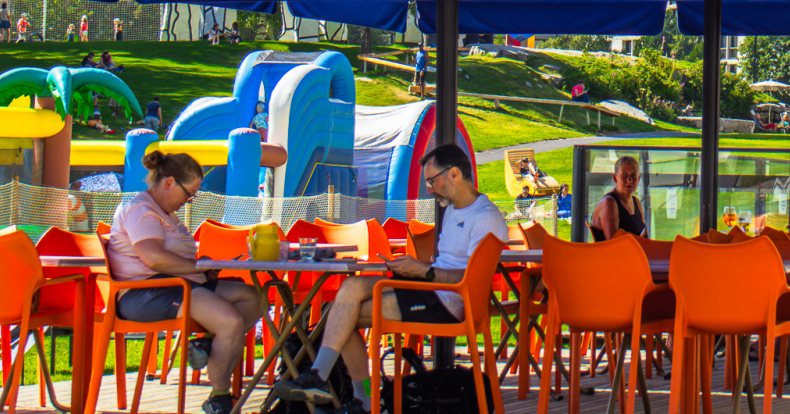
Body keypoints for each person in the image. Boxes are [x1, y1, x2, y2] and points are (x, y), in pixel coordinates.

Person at [273, 145, 507, 412]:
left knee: (343, 315)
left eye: (432, 180)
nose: (429, 188)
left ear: (454, 174)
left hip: (449, 303)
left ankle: (360, 398)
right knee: (349, 292)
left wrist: (423, 270)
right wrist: (413, 269)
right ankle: (327, 381)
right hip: (432, 289)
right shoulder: (455, 209)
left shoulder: (485, 217)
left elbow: (472, 279)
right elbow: (447, 265)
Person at [107, 151, 265, 414]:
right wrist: (199, 266)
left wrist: (200, 265)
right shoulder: (141, 209)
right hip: (147, 292)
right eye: (188, 193)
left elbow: (172, 257)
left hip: (176, 284)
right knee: (230, 321)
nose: (189, 200)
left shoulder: (164, 211)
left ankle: (207, 342)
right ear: (168, 182)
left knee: (254, 296)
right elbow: (153, 257)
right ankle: (220, 397)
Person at [590, 155, 646, 240]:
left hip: (635, 252)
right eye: (624, 174)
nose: (629, 180)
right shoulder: (609, 202)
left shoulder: (636, 202)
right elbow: (614, 245)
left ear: (638, 179)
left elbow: (645, 237)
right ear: (615, 178)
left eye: (633, 175)